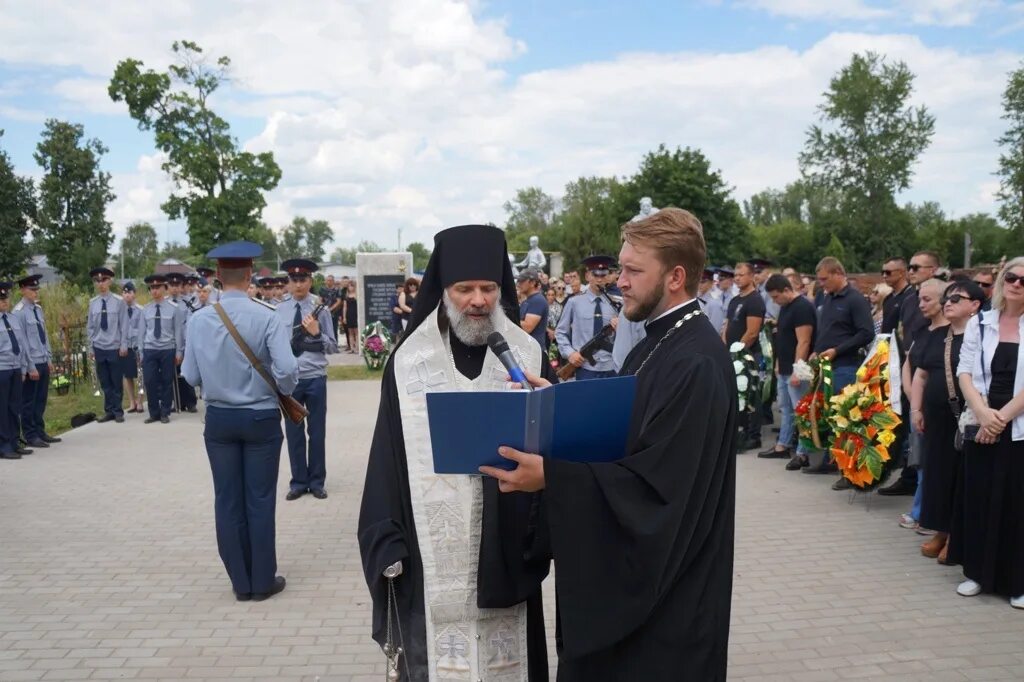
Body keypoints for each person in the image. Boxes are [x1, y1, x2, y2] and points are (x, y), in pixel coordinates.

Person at [481, 207, 737, 680]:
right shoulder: (659, 341)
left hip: (669, 602)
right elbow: (626, 424)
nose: (620, 280)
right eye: (621, 268)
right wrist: (558, 404)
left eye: (633, 270)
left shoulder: (696, 361)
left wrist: (552, 478)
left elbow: (658, 490)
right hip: (651, 593)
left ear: (676, 276)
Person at [357, 224, 552, 681]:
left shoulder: (527, 355)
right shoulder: (409, 363)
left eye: (489, 288)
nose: (478, 300)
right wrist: (385, 537)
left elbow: (556, 452)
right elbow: (387, 456)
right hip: (430, 558)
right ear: (444, 291)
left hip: (507, 549)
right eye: (465, 288)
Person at [181, 240, 298, 602]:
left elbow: (189, 376)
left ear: (217, 277)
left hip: (219, 419)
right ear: (250, 276)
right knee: (260, 499)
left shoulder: (198, 320)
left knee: (227, 499)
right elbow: (289, 370)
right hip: (261, 417)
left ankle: (240, 580)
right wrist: (282, 388)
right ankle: (262, 580)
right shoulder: (267, 316)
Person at [951, 258, 1024, 609]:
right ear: (1001, 281)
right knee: (979, 496)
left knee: (1016, 503)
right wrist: (982, 415)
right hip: (982, 416)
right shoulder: (981, 322)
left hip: (1018, 423)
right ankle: (977, 573)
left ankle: (1017, 582)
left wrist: (1002, 419)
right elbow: (965, 371)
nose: (1017, 284)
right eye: (1011, 277)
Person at [911, 280, 982, 564]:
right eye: (947, 298)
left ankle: (957, 536)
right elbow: (921, 374)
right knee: (938, 475)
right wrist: (916, 409)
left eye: (957, 298)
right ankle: (941, 529)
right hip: (936, 419)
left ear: (975, 305)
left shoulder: (980, 338)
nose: (948, 302)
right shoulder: (938, 334)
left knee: (959, 477)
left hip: (965, 419)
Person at [803, 257, 874, 484]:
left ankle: (849, 470)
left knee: (845, 418)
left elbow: (866, 333)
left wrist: (837, 350)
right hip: (826, 366)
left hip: (845, 366)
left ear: (837, 273)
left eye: (824, 279)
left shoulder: (855, 300)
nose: (821, 284)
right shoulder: (828, 297)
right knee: (829, 416)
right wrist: (817, 350)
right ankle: (830, 460)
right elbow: (826, 329)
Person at [277, 258, 337, 501]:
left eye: (303, 280)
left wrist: (317, 333)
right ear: (288, 283)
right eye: (294, 280)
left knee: (317, 432)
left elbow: (332, 347)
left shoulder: (320, 310)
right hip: (291, 381)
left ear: (310, 281)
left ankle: (317, 481)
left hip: (314, 378)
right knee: (293, 432)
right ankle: (298, 482)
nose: (298, 284)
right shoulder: (279, 310)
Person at [880, 252, 939, 497]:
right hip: (908, 371)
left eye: (916, 267)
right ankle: (909, 478)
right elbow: (904, 338)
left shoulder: (942, 298)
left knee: (926, 435)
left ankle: (924, 491)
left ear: (933, 270)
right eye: (910, 266)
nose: (911, 271)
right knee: (909, 429)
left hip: (930, 372)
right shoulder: (908, 301)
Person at [761, 274, 817, 468]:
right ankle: (783, 445)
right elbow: (782, 338)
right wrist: (778, 363)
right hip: (784, 367)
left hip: (796, 370)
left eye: (776, 296)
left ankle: (803, 452)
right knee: (787, 409)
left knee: (800, 411)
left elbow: (804, 341)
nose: (775, 301)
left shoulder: (802, 307)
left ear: (786, 290)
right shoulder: (785, 307)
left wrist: (797, 370)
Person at [13, 274, 60, 448]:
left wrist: (48, 357)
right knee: (28, 401)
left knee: (40, 399)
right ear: (22, 290)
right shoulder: (19, 313)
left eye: (36, 289)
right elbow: (22, 342)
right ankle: (30, 434)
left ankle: (40, 431)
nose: (35, 292)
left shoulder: (38, 309)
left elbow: (44, 335)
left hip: (42, 359)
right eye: (31, 290)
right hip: (30, 362)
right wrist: (30, 366)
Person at [555, 255, 619, 380]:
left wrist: (622, 325)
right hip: (585, 368)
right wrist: (570, 353)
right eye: (595, 275)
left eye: (603, 275)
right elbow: (560, 332)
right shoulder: (574, 302)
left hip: (612, 367)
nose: (599, 280)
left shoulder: (617, 304)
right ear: (587, 276)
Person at [724, 261, 766, 449]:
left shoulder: (755, 300)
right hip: (731, 355)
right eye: (736, 275)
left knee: (750, 395)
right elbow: (727, 326)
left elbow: (752, 332)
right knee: (735, 394)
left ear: (751, 276)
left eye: (741, 274)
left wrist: (738, 352)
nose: (737, 278)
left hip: (747, 356)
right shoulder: (735, 300)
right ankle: (738, 431)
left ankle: (753, 435)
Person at [139, 274, 184, 424]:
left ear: (165, 288)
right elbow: (141, 332)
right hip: (150, 349)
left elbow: (178, 331)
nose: (155, 290)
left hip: (167, 348)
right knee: (150, 381)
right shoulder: (145, 310)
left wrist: (179, 351)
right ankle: (154, 413)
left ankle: (165, 412)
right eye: (152, 288)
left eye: (158, 287)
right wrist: (141, 351)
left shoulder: (174, 309)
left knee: (166, 381)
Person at [87, 267, 130, 423]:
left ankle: (118, 411)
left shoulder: (119, 302)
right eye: (98, 281)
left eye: (104, 280)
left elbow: (124, 325)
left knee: (116, 380)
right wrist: (91, 347)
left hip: (114, 346)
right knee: (105, 380)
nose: (101, 284)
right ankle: (109, 410)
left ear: (110, 281)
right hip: (99, 346)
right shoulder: (93, 303)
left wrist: (123, 344)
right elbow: (90, 327)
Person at [1, 281, 32, 459]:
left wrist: (22, 368)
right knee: (2, 408)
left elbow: (21, 344)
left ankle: (14, 441)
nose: (4, 301)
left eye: (6, 298)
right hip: (1, 369)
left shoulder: (12, 318)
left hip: (15, 368)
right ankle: (4, 445)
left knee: (14, 407)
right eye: (1, 299)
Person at [120, 281, 144, 414]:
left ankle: (140, 401)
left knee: (140, 375)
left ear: (134, 294)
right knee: (127, 375)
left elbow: (142, 331)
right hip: (125, 346)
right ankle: (132, 401)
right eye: (124, 292)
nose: (127, 295)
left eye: (129, 292)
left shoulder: (141, 310)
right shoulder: (120, 311)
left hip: (137, 347)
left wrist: (141, 348)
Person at [517, 268, 549, 351]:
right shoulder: (528, 300)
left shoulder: (537, 300)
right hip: (528, 351)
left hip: (536, 353)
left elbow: (527, 327)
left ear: (532, 283)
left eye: (522, 281)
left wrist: (507, 319)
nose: (518, 284)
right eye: (518, 281)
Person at [699, 267, 726, 335]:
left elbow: (715, 330)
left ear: (711, 283)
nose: (699, 285)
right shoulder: (697, 298)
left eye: (703, 282)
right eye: (698, 281)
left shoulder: (715, 303)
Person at [320, 274, 342, 340]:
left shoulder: (337, 290)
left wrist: (331, 308)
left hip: (334, 313)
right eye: (327, 280)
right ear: (325, 281)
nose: (329, 282)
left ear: (333, 281)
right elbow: (320, 300)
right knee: (324, 329)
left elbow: (339, 301)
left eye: (330, 280)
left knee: (334, 329)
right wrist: (324, 308)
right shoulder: (322, 289)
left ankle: (335, 344)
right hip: (324, 312)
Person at [344, 280, 359, 353]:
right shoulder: (346, 296)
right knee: (350, 332)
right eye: (349, 286)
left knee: (356, 332)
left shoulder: (357, 295)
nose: (350, 287)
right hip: (349, 315)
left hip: (355, 314)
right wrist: (344, 317)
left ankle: (357, 348)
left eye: (352, 286)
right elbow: (345, 307)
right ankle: (352, 348)